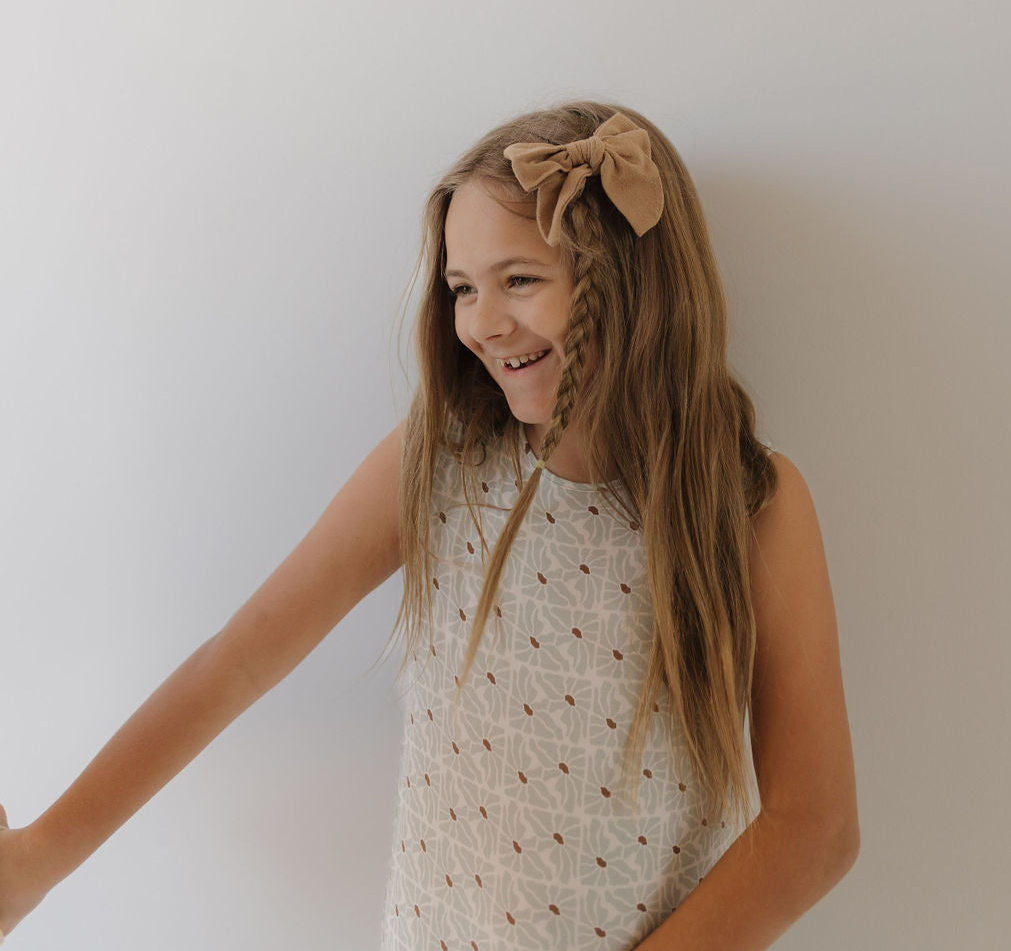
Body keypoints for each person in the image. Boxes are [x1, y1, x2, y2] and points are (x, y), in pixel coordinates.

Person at [0, 101, 859, 948]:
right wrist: (37, 859)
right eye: (461, 289)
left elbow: (813, 829)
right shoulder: (441, 460)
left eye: (519, 279)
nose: (482, 323)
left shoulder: (752, 505)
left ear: (626, 280)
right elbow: (240, 659)